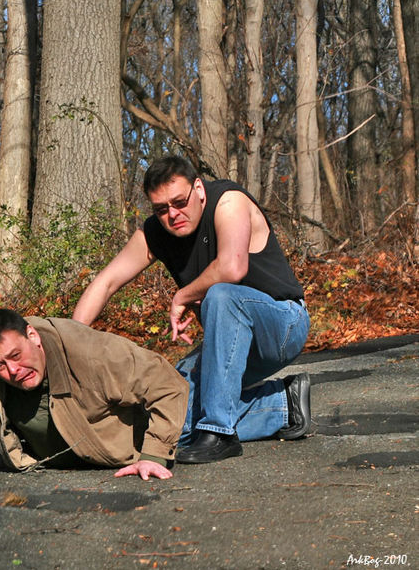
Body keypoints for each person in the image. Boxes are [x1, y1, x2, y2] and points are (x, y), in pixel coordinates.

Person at [72, 156, 311, 464]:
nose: (173, 215)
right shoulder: (155, 232)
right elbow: (106, 282)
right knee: (168, 413)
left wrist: (181, 296)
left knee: (222, 295)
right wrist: (70, 342)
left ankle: (220, 434)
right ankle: (283, 405)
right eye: (161, 209)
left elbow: (232, 267)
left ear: (198, 188)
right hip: (228, 345)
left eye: (179, 202)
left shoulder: (228, 202)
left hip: (282, 325)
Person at [0, 308, 188, 481]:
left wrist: (154, 456)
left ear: (33, 335)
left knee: (197, 399)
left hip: (152, 434)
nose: (14, 370)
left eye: (16, 355)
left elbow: (166, 385)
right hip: (65, 455)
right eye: (0, 367)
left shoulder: (93, 353)